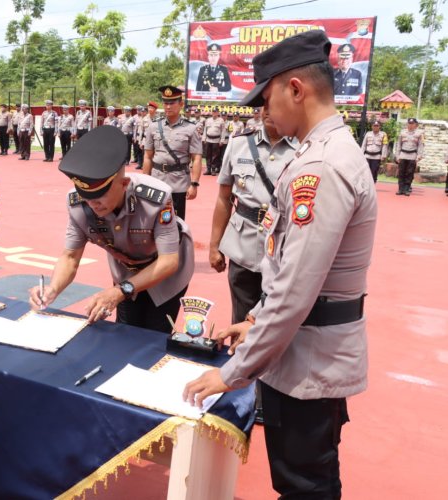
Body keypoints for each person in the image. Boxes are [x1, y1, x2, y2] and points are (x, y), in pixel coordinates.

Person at [184, 30, 378, 500]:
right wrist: (251, 321)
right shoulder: (318, 154)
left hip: (308, 362)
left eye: (267, 97)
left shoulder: (322, 168)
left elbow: (295, 291)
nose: (263, 111)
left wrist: (232, 374)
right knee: (301, 479)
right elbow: (291, 270)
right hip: (303, 349)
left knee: (305, 485)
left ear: (296, 89)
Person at [29, 126, 195, 334]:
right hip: (125, 268)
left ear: (124, 184)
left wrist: (121, 290)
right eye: (87, 199)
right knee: (125, 330)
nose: (93, 205)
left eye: (99, 198)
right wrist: (53, 288)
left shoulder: (155, 199)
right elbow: (70, 257)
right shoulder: (78, 205)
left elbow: (168, 261)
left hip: (166, 271)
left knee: (154, 333)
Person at [209, 107, 297, 424]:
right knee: (241, 319)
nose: (269, 113)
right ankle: (241, 390)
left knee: (276, 321)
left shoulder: (304, 147)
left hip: (283, 247)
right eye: (263, 107)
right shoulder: (238, 143)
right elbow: (223, 199)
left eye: (274, 106)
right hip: (243, 243)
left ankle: (270, 394)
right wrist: (216, 245)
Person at [142, 86, 202, 221]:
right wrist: (145, 180)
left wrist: (194, 184)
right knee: (154, 220)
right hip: (157, 180)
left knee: (177, 222)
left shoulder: (191, 128)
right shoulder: (153, 127)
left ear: (181, 104)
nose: (168, 107)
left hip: (179, 182)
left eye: (172, 103)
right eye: (165, 103)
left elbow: (196, 158)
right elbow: (147, 156)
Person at [394, 117, 424, 196]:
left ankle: (407, 189)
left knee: (409, 173)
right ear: (407, 124)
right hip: (403, 154)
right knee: (401, 173)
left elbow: (420, 146)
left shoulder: (419, 134)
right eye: (409, 124)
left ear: (415, 125)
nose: (410, 125)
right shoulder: (402, 132)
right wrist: (397, 156)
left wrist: (419, 156)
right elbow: (398, 145)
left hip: (412, 155)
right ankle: (400, 189)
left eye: (412, 124)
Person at [202, 107, 224, 175]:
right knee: (207, 155)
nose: (214, 113)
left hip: (216, 140)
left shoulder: (221, 120)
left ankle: (213, 169)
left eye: (215, 112)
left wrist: (222, 140)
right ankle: (208, 169)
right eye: (213, 112)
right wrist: (204, 138)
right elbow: (205, 129)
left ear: (218, 113)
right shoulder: (208, 120)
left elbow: (223, 131)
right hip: (208, 139)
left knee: (215, 156)